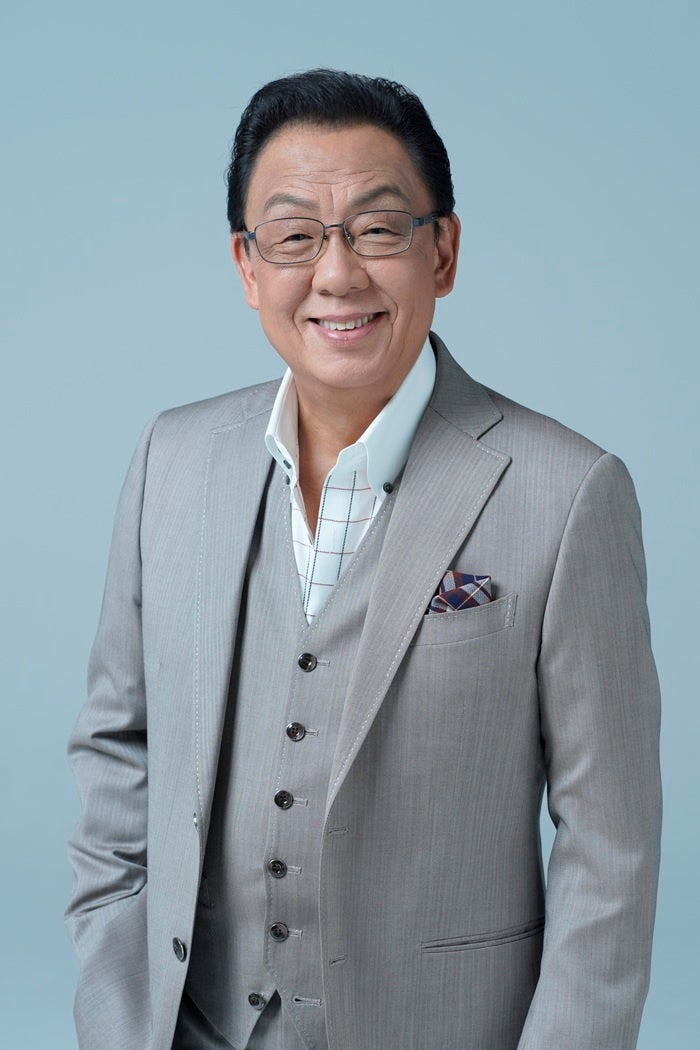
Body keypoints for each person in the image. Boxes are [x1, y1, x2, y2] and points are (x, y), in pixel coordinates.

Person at [66, 69, 661, 1050]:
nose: (336, 275)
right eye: (294, 236)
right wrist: (114, 1007)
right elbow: (115, 751)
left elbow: (610, 849)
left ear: (443, 252)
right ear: (247, 265)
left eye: (378, 230)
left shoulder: (567, 493)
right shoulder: (172, 458)